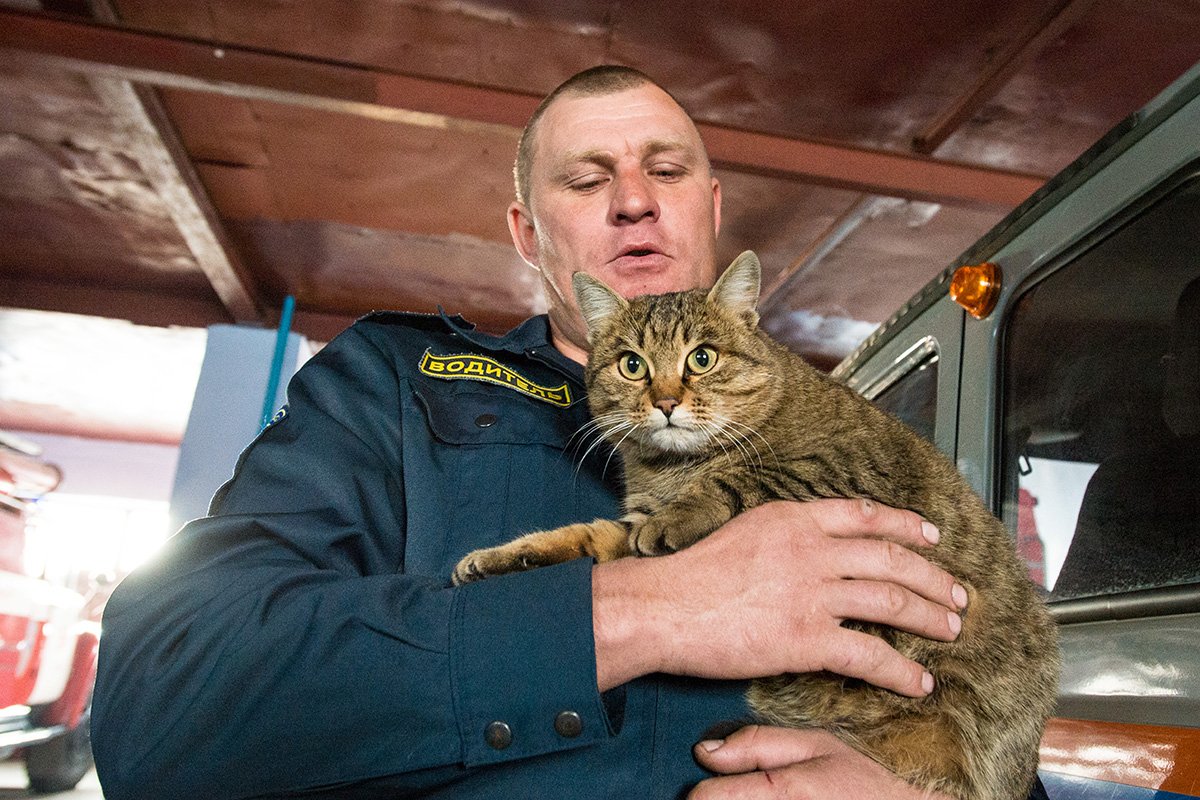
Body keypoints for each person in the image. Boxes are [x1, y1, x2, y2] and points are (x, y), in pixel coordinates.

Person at [91, 66, 1046, 799]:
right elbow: (164, 707)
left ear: (712, 209)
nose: (635, 200)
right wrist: (651, 608)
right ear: (525, 232)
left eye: (665, 171)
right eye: (588, 180)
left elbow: (991, 691)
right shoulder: (392, 380)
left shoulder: (849, 433)